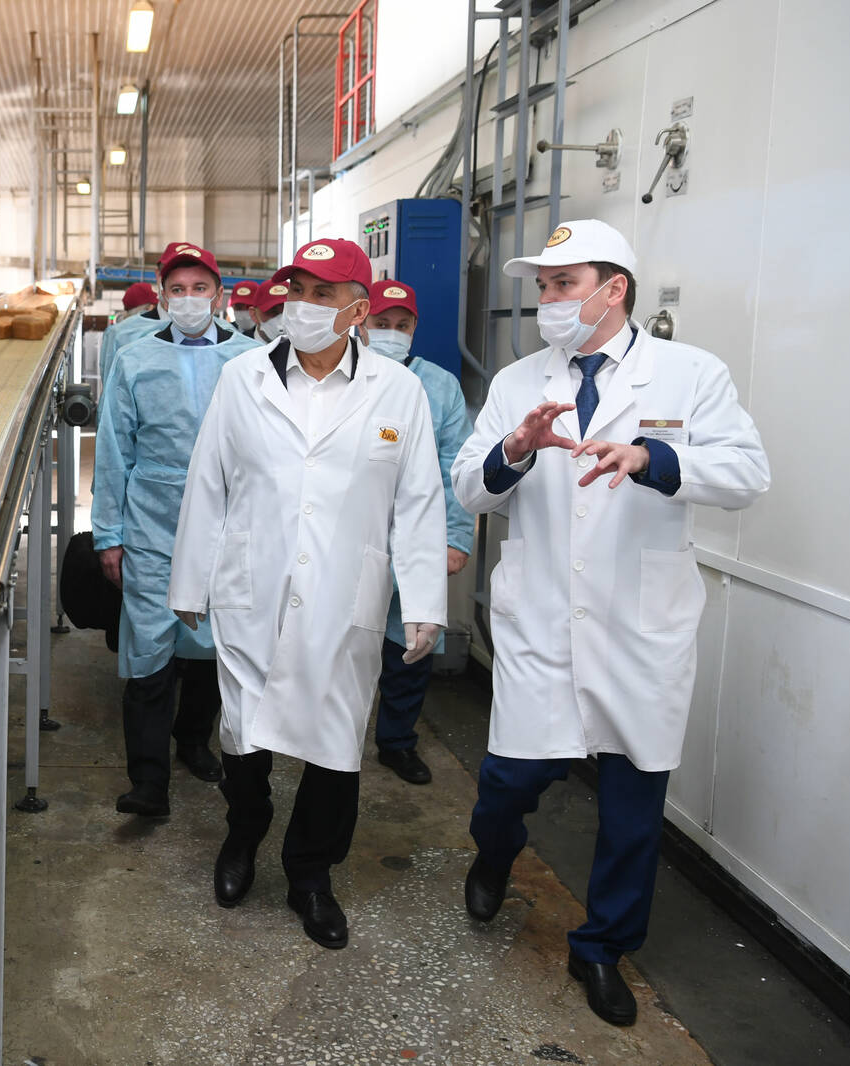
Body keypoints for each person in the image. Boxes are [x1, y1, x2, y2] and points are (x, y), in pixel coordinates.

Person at [450, 220, 769, 1026]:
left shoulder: (691, 374)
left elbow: (745, 473)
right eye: (543, 287)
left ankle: (601, 948)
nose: (548, 301)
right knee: (509, 780)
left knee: (633, 803)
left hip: (640, 625)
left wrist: (655, 458)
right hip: (540, 618)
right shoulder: (518, 381)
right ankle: (494, 854)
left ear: (614, 288)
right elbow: (468, 487)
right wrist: (514, 451)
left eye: (564, 284)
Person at [167, 238, 448, 949]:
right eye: (297, 290)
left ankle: (310, 875)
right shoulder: (243, 377)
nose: (304, 305)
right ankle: (244, 830)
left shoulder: (398, 391)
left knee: (334, 743)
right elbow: (208, 481)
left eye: (323, 294)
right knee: (243, 731)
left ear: (358, 310)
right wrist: (190, 579)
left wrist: (423, 602)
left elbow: (417, 502)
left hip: (343, 596)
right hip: (252, 584)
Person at [93, 244, 260, 817]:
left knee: (214, 642)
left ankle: (193, 740)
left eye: (199, 288)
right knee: (149, 646)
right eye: (178, 289)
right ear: (163, 298)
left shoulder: (251, 358)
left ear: (219, 295)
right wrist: (108, 534)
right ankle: (148, 780)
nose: (189, 299)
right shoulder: (134, 359)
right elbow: (114, 451)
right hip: (152, 523)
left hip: (227, 522)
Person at [361, 280, 475, 785]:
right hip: (353, 532)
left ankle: (397, 742)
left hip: (417, 532)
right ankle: (330, 737)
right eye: (381, 323)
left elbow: (456, 467)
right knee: (340, 640)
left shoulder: (440, 386)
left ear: (414, 329)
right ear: (362, 323)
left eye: (401, 325)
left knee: (409, 642)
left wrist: (456, 537)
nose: (391, 332)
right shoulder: (344, 377)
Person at [97, 243, 197, 389]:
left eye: (193, 278)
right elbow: (112, 395)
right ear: (158, 275)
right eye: (171, 273)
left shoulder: (224, 338)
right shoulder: (121, 336)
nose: (182, 282)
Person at [249, 275, 289, 343]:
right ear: (254, 314)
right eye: (273, 311)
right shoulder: (240, 347)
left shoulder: (303, 346)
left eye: (288, 311)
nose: (282, 318)